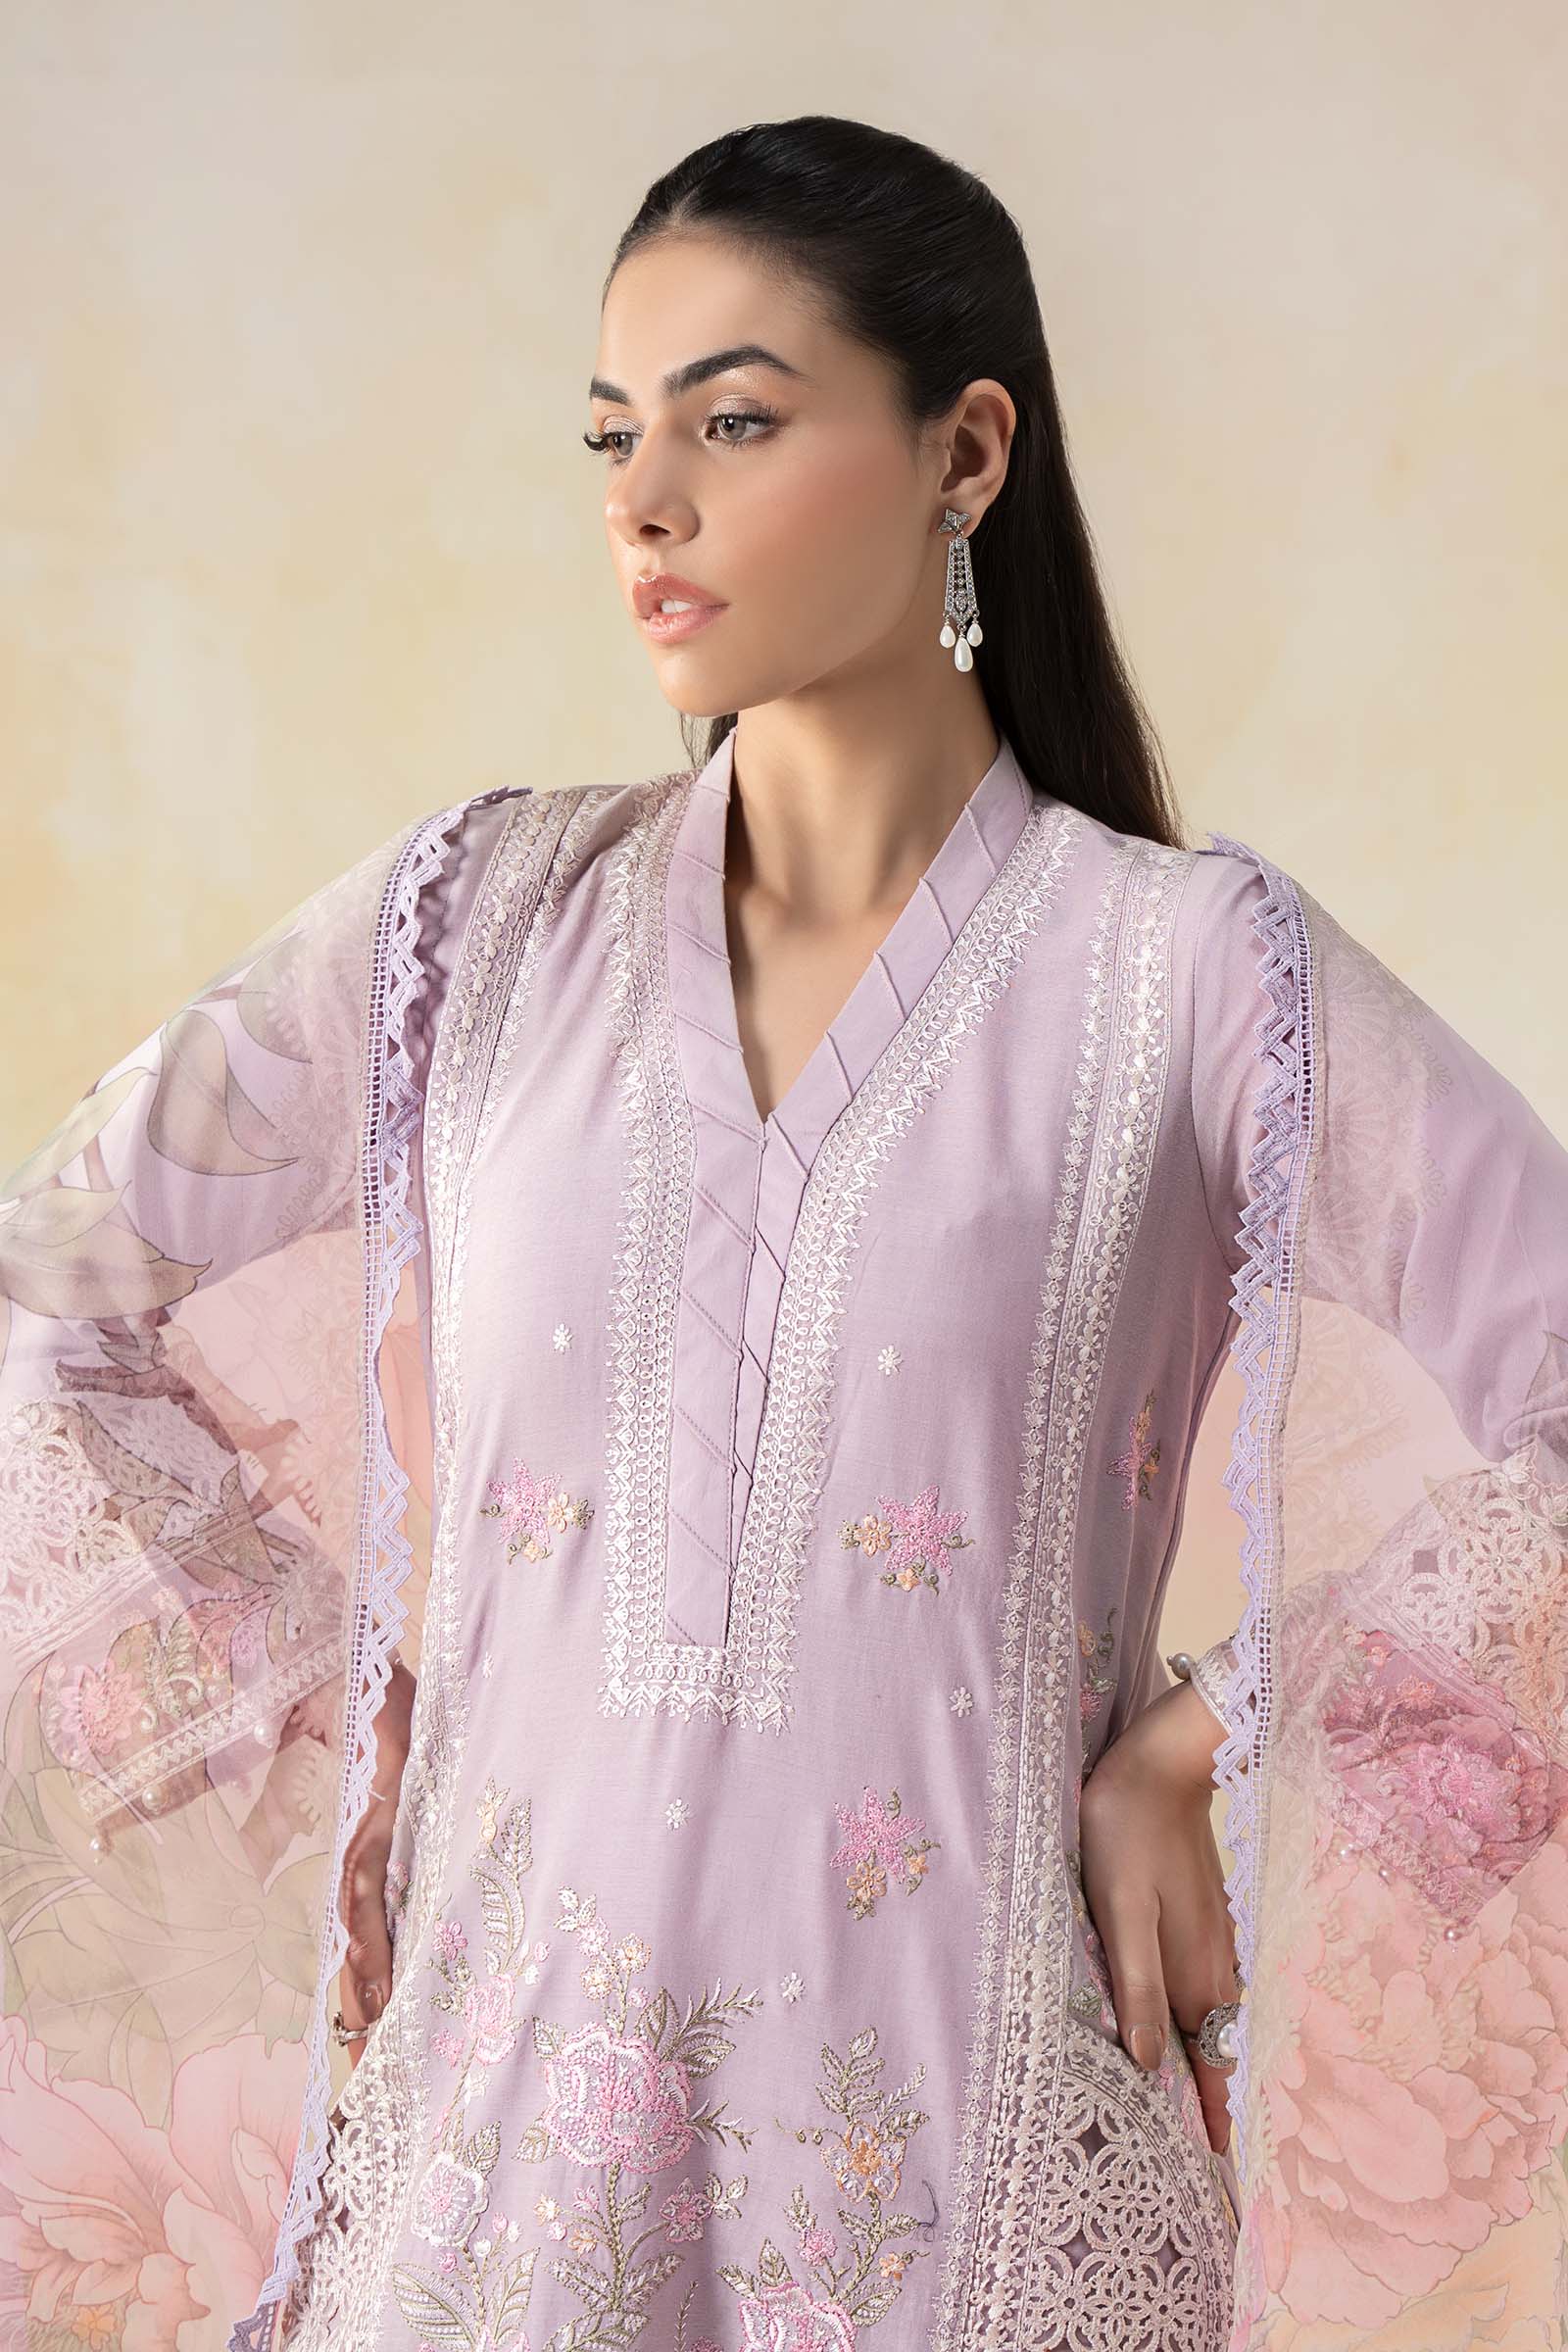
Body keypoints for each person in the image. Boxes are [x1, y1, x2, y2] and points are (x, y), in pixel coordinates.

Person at [2, 116, 1563, 2352]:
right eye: (611, 434)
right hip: (494, 2198)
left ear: (964, 454)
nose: (644, 499)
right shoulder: (475, 930)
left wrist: (1210, 1741)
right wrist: (337, 1720)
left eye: (731, 421)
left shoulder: (1188, 974)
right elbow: (48, 1293)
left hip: (984, 2201)